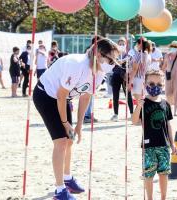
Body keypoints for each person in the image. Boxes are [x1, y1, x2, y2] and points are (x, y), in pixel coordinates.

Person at [33, 38, 119, 200]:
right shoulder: (76, 64)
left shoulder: (100, 72)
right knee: (61, 142)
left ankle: (67, 178)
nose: (113, 63)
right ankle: (60, 191)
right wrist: (65, 123)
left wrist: (78, 125)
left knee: (70, 139)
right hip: (46, 95)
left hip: (63, 99)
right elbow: (61, 94)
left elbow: (85, 97)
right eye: (111, 59)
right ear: (99, 54)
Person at [132, 70, 177, 200]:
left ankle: (163, 197)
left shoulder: (165, 104)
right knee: (148, 175)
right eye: (151, 84)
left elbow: (168, 125)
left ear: (163, 85)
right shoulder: (143, 103)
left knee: (164, 173)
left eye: (159, 84)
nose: (155, 87)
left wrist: (172, 142)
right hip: (148, 146)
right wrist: (138, 107)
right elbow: (135, 121)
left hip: (164, 145)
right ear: (145, 85)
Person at [110, 37, 134, 122]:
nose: (121, 45)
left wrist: (123, 60)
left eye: (123, 43)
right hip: (116, 75)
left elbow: (130, 60)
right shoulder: (114, 53)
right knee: (115, 96)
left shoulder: (129, 52)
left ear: (126, 44)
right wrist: (121, 60)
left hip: (125, 76)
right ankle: (116, 114)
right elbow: (114, 61)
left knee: (128, 95)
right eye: (120, 44)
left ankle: (132, 113)